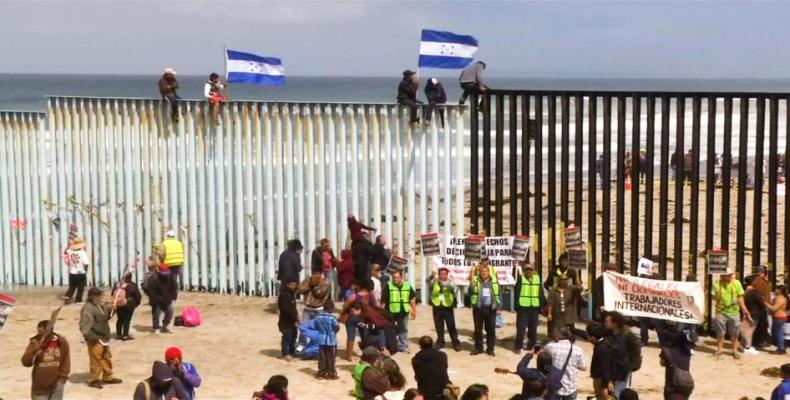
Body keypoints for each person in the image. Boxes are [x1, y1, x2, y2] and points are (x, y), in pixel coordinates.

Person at [79, 287, 122, 389]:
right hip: (95, 338)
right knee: (96, 360)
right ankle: (94, 379)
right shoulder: (88, 309)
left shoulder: (99, 306)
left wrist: (112, 310)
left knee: (106, 357)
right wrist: (93, 337)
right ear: (93, 296)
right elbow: (85, 327)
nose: (101, 297)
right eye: (100, 296)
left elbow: (105, 317)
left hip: (103, 337)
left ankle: (108, 376)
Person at [21, 320, 70, 400]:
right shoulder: (35, 342)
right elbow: (26, 362)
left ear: (49, 330)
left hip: (57, 383)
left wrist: (63, 378)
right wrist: (35, 349)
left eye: (41, 331)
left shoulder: (61, 342)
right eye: (38, 331)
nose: (39, 333)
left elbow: (66, 360)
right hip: (40, 385)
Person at [604, 311, 642, 398]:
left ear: (615, 323)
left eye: (607, 321)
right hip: (611, 369)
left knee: (620, 393)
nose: (605, 323)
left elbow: (636, 352)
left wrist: (631, 366)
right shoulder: (608, 333)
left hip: (622, 371)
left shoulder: (628, 335)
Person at [712, 272, 750, 358]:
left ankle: (734, 351)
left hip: (734, 312)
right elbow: (714, 298)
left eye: (731, 274)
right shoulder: (717, 284)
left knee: (735, 334)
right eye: (728, 275)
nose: (731, 276)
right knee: (720, 333)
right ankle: (720, 350)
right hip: (721, 312)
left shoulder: (736, 283)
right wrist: (717, 295)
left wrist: (744, 309)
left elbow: (740, 297)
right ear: (722, 276)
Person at [545, 328, 587, 400]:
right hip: (570, 386)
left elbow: (544, 362)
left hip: (553, 384)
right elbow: (584, 367)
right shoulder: (577, 350)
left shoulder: (549, 346)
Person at [340, 279, 377, 361]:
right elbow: (375, 306)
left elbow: (345, 306)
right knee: (365, 336)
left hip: (352, 317)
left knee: (351, 336)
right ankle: (366, 353)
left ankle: (348, 356)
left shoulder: (354, 296)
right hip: (364, 318)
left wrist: (342, 313)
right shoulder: (371, 296)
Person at [469, 258, 499, 356]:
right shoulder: (476, 280)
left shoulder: (494, 281)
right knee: (478, 330)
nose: (484, 273)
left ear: (489, 272)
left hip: (490, 309)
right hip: (478, 309)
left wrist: (498, 307)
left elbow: (498, 293)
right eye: (482, 271)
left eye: (485, 271)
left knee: (490, 330)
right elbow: (470, 292)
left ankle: (490, 349)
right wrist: (471, 280)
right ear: (480, 272)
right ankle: (478, 348)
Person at [382, 269, 416, 353]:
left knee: (403, 329)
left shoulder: (407, 286)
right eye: (394, 278)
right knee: (390, 329)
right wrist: (381, 313)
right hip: (391, 311)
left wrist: (414, 310)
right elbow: (383, 301)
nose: (395, 279)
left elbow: (412, 298)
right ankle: (391, 345)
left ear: (401, 277)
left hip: (404, 311)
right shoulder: (388, 286)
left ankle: (403, 346)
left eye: (397, 277)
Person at [514, 262, 545, 353]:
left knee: (533, 328)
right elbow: (516, 293)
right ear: (524, 271)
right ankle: (518, 346)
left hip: (534, 307)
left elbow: (541, 293)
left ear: (533, 271)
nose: (528, 271)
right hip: (523, 307)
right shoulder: (521, 279)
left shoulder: (537, 279)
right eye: (527, 269)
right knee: (521, 328)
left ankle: (531, 345)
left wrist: (541, 306)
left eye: (530, 269)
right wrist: (517, 306)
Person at [428, 267, 461, 351]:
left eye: (444, 274)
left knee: (451, 326)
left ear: (447, 274)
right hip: (437, 306)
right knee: (439, 326)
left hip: (447, 306)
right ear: (438, 275)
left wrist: (449, 286)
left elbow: (456, 290)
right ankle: (440, 342)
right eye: (441, 274)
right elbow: (427, 282)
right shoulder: (434, 282)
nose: (443, 275)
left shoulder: (451, 282)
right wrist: (431, 277)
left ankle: (455, 342)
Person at [298, 269, 330, 348]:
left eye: (317, 274)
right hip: (308, 308)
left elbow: (319, 294)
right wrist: (309, 284)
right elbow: (300, 290)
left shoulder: (326, 282)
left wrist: (314, 285)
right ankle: (302, 343)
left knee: (319, 328)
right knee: (304, 327)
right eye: (314, 273)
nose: (315, 276)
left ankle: (317, 344)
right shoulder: (308, 280)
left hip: (318, 309)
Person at [546, 272, 584, 339]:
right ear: (559, 281)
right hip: (557, 317)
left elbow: (580, 288)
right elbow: (550, 302)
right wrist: (549, 313)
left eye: (566, 279)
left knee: (569, 335)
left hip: (569, 317)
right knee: (557, 335)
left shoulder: (572, 288)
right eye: (562, 279)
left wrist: (577, 279)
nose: (564, 281)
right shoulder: (553, 291)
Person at [411, 336, 449, 400]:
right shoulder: (442, 356)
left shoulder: (416, 359)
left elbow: (418, 377)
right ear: (432, 344)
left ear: (420, 346)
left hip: (426, 392)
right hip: (443, 389)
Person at [659, 330, 693, 400]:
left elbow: (662, 363)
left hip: (671, 383)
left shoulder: (667, 349)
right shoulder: (687, 350)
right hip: (685, 381)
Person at [144, 263, 178, 334]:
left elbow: (174, 287)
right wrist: (155, 298)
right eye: (163, 273)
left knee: (170, 311)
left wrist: (173, 297)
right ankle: (156, 327)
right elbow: (150, 290)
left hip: (167, 299)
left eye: (166, 273)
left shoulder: (170, 277)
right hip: (156, 300)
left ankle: (165, 325)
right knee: (156, 313)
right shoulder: (153, 278)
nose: (165, 275)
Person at [313, 299, 340, 379]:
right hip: (331, 341)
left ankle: (321, 373)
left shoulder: (318, 317)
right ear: (332, 308)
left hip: (321, 340)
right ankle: (331, 374)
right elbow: (336, 327)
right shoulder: (332, 318)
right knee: (331, 358)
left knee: (322, 358)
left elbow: (316, 327)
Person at [111, 271, 142, 341]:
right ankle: (125, 335)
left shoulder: (117, 284)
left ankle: (118, 334)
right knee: (127, 320)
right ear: (130, 277)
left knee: (120, 319)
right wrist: (136, 303)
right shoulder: (132, 285)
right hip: (129, 305)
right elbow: (138, 296)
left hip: (119, 304)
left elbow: (112, 293)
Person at [587, 323, 612, 400]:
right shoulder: (603, 341)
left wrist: (604, 387)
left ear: (593, 337)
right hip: (602, 378)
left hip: (601, 380)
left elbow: (606, 368)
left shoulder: (601, 349)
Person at [278, 278, 300, 361]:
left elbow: (293, 308)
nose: (294, 287)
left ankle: (292, 352)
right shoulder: (284, 295)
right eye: (292, 285)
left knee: (293, 336)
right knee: (287, 337)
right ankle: (285, 353)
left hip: (293, 320)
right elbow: (287, 309)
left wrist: (296, 316)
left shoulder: (292, 294)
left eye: (295, 285)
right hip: (286, 321)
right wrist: (295, 317)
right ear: (287, 285)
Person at [62, 237, 89, 303]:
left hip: (72, 273)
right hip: (80, 273)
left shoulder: (70, 252)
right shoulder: (83, 253)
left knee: (72, 287)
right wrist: (85, 271)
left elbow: (65, 251)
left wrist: (69, 245)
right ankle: (78, 300)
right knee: (80, 288)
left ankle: (67, 297)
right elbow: (86, 263)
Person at [742, 275, 764, 355]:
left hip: (745, 312)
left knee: (745, 329)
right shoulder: (755, 292)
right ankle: (748, 347)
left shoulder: (743, 291)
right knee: (750, 331)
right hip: (754, 313)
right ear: (753, 282)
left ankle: (744, 346)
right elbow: (761, 303)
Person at [752, 265, 772, 348]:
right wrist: (764, 305)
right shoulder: (760, 281)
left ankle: (758, 341)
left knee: (761, 324)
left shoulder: (759, 280)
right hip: (761, 306)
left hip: (761, 305)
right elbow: (759, 295)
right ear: (763, 272)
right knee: (762, 324)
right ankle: (760, 341)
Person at [765, 285, 788, 354]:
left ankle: (780, 349)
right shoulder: (780, 298)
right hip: (779, 318)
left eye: (776, 289)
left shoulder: (780, 298)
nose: (775, 290)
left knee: (777, 333)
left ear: (780, 291)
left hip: (779, 318)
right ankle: (782, 348)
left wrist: (764, 302)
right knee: (778, 333)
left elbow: (773, 308)